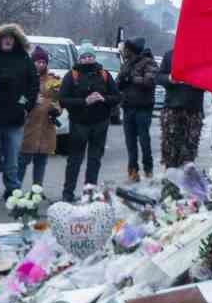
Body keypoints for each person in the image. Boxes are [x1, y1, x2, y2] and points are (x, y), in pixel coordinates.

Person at [0, 23, 38, 199]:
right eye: (4, 38)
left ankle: (12, 189)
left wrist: (23, 105)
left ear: (16, 40)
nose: (8, 41)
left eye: (11, 38)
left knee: (12, 158)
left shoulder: (24, 60)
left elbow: (32, 86)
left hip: (16, 117)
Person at [59, 44, 119, 201]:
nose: (87, 59)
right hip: (79, 123)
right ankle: (68, 193)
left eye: (90, 56)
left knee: (94, 160)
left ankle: (89, 194)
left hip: (100, 123)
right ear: (79, 59)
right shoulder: (72, 75)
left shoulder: (104, 74)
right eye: (84, 57)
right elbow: (63, 100)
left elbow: (117, 97)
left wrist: (104, 98)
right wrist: (84, 101)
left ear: (94, 57)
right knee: (74, 160)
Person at [117, 37, 158, 181]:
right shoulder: (126, 63)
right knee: (130, 141)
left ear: (132, 50)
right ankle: (133, 170)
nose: (124, 51)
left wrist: (132, 79)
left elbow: (150, 81)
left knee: (144, 139)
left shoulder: (148, 62)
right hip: (128, 107)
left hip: (143, 107)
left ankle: (148, 168)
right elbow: (118, 83)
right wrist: (122, 80)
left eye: (126, 49)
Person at [157, 48, 206, 168]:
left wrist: (195, 78)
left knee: (189, 149)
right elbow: (158, 77)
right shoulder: (170, 55)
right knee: (170, 148)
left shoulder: (201, 56)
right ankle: (171, 174)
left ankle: (186, 174)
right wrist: (169, 78)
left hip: (194, 109)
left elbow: (209, 80)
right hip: (172, 108)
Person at [19, 46, 59, 189]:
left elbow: (58, 101)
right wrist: (31, 100)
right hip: (28, 127)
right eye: (38, 62)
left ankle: (37, 189)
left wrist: (56, 109)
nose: (41, 64)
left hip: (46, 128)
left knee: (41, 162)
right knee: (22, 161)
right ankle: (15, 189)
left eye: (43, 62)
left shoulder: (53, 81)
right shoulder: (24, 78)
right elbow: (19, 99)